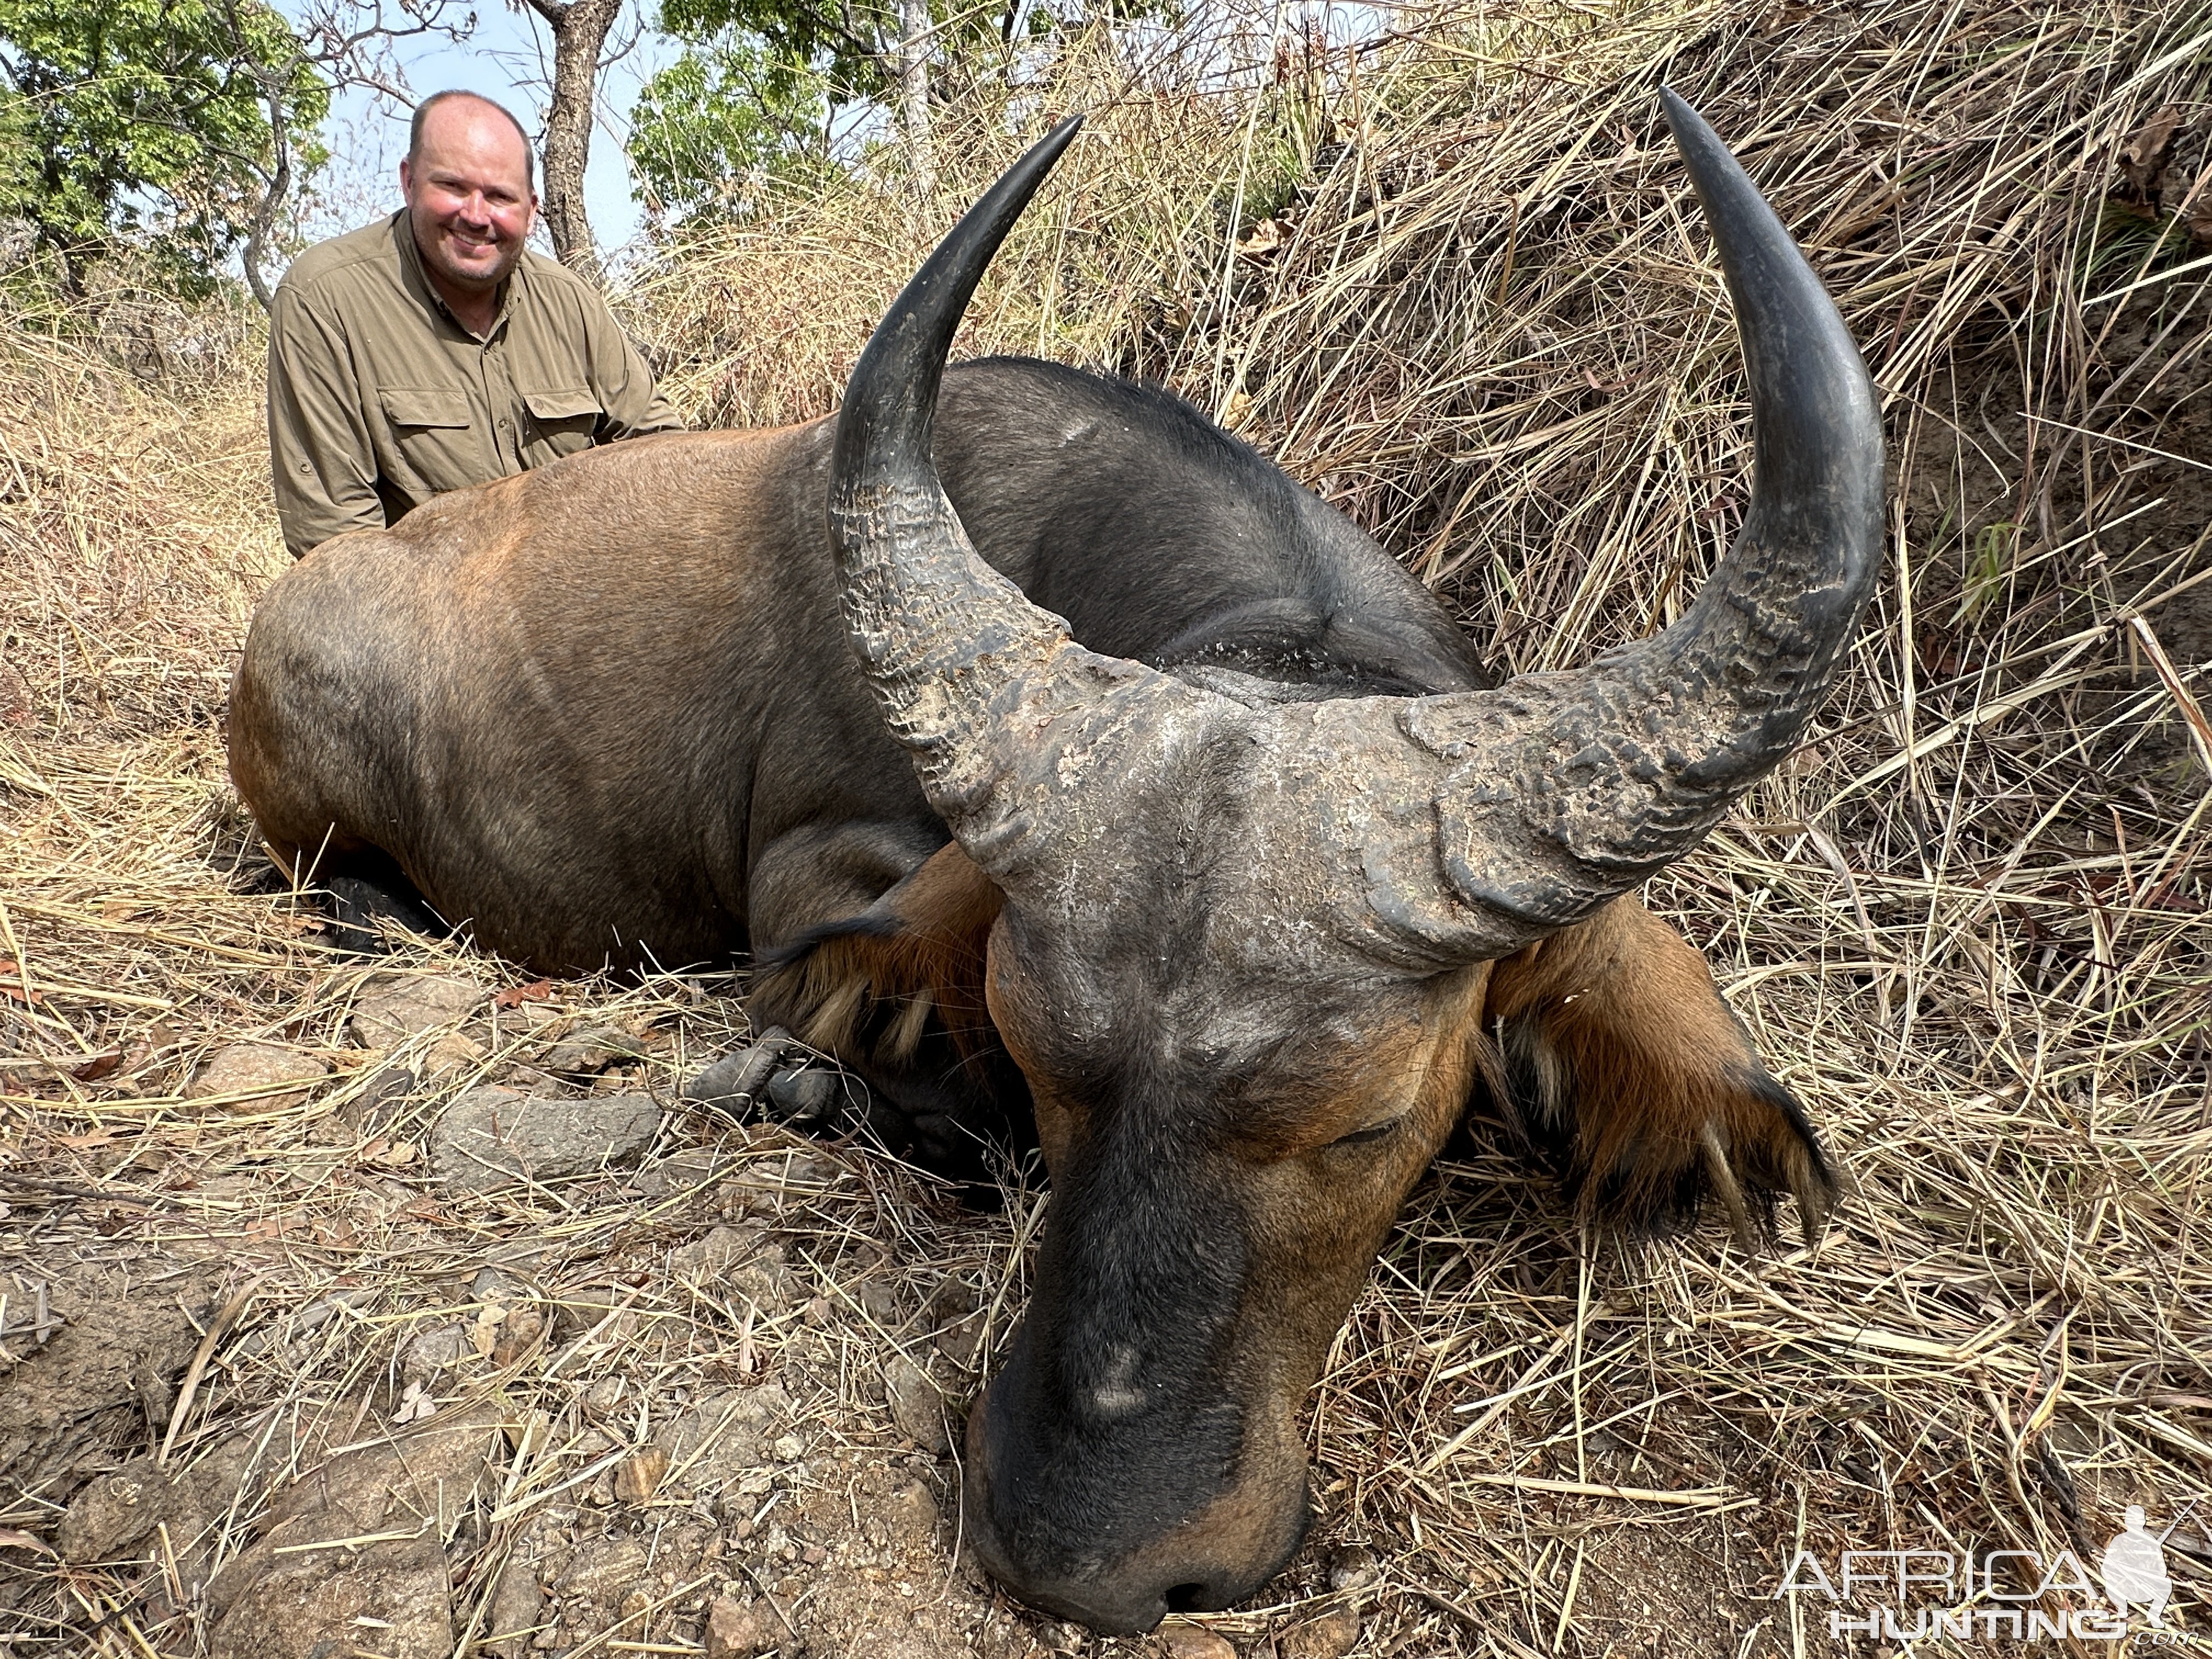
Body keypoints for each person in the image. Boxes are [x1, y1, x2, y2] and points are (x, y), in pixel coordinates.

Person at [267, 89, 680, 560]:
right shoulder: (324, 297)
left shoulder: (570, 301)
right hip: (432, 611)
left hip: (582, 591)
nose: (477, 216)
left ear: (531, 208)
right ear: (409, 181)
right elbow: (339, 545)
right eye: (453, 188)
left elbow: (663, 453)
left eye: (501, 197)